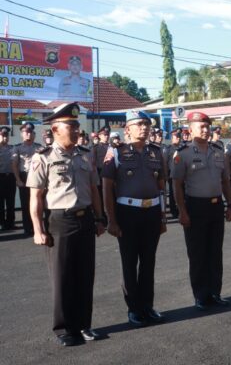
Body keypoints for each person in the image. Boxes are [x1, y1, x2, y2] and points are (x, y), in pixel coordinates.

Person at [26, 102, 106, 347]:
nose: (76, 129)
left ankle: (83, 325)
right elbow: (36, 198)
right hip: (60, 221)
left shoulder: (85, 155)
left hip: (85, 219)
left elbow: (94, 189)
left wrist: (100, 217)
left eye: (77, 124)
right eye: (70, 125)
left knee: (85, 274)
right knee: (62, 277)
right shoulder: (44, 158)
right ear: (55, 128)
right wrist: (38, 230)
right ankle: (64, 328)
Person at [102, 111, 168, 326]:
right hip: (127, 213)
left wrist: (163, 216)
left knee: (149, 262)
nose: (145, 128)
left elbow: (161, 186)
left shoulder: (156, 152)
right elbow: (107, 187)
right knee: (129, 262)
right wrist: (111, 219)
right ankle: (134, 309)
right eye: (139, 124)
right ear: (127, 129)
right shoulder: (116, 151)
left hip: (151, 213)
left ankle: (147, 306)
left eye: (147, 124)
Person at [172, 112, 231, 310]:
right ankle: (200, 294)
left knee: (215, 252)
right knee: (198, 253)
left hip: (216, 207)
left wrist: (230, 205)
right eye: (201, 127)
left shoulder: (218, 151)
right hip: (195, 207)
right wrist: (182, 211)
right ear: (190, 130)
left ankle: (215, 292)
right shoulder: (182, 154)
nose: (206, 130)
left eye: (207, 127)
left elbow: (225, 181)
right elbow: (177, 185)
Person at [12, 122, 42, 235]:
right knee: (25, 203)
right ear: (22, 134)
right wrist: (18, 179)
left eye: (30, 132)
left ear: (34, 134)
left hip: (37, 177)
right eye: (26, 132)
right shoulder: (17, 148)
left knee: (38, 202)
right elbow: (14, 165)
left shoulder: (39, 147)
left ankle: (37, 226)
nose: (28, 134)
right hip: (24, 176)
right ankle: (27, 227)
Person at [0, 126, 15, 231]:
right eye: (3, 135)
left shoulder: (12, 148)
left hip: (10, 177)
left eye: (6, 136)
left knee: (11, 202)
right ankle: (1, 224)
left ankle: (10, 223)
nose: (5, 138)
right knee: (0, 203)